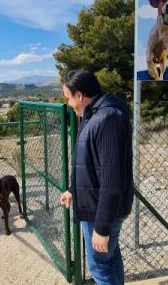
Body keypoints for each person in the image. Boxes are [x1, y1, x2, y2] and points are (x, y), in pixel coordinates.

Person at [59, 69, 133, 285]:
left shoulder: (108, 119)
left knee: (100, 266)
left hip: (101, 211)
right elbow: (87, 163)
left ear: (79, 96)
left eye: (68, 97)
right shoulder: (91, 115)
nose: (69, 104)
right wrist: (73, 189)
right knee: (108, 260)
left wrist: (102, 227)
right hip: (95, 205)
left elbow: (112, 180)